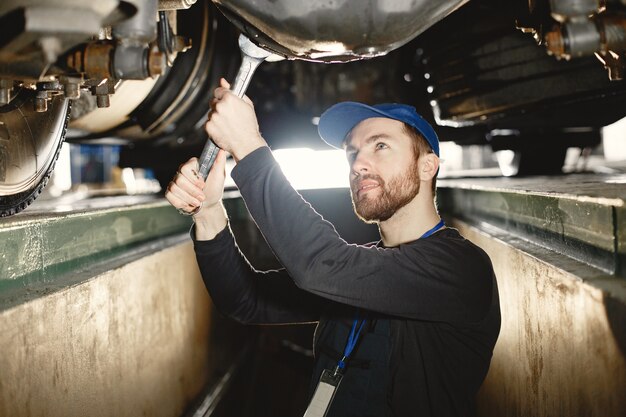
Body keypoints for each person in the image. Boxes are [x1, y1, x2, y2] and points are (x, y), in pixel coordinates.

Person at [165, 78, 501, 417]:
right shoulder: (360, 267)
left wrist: (248, 145)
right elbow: (245, 300)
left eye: (379, 146)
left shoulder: (461, 268)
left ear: (427, 165)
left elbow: (321, 265)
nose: (357, 165)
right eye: (352, 153)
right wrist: (208, 212)